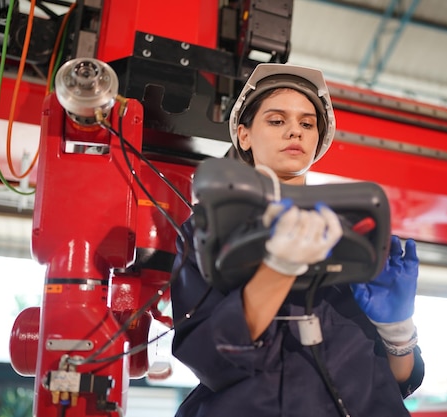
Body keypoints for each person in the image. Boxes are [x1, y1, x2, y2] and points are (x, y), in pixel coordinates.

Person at [170, 63, 424, 417]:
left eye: (307, 123)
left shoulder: (353, 229)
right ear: (243, 135)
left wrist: (398, 331)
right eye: (277, 121)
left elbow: (395, 381)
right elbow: (210, 359)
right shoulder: (209, 227)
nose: (295, 131)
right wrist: (279, 270)